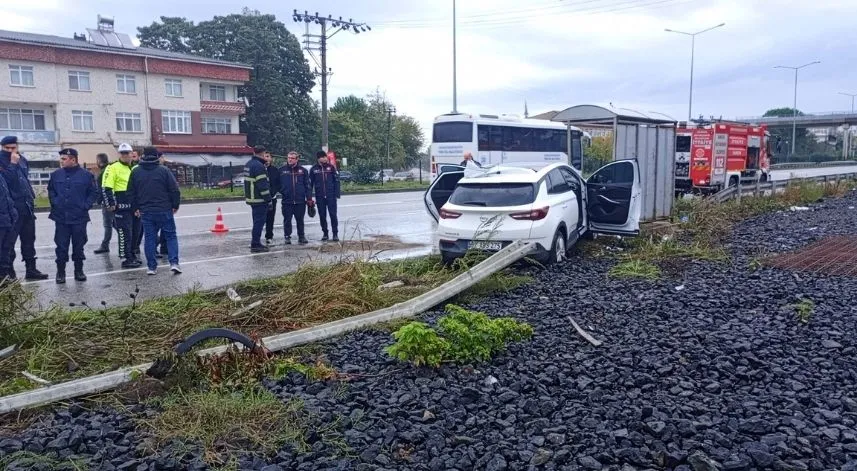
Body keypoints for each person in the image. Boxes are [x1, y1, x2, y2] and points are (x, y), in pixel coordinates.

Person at [128, 146, 182, 275]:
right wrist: (175, 205)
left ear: (143, 157)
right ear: (157, 157)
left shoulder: (136, 171)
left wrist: (135, 208)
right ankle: (174, 263)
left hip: (146, 211)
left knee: (149, 238)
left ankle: (152, 267)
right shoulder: (164, 171)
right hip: (164, 209)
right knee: (170, 236)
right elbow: (174, 189)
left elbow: (130, 192)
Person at [0, 135, 48, 280]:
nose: (10, 151)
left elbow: (24, 180)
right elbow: (8, 180)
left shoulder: (23, 159)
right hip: (12, 208)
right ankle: (9, 273)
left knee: (29, 240)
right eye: (6, 148)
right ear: (2, 147)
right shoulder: (2, 160)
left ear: (17, 147)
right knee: (8, 243)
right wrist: (13, 164)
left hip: (26, 206)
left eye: (12, 148)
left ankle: (31, 269)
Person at [47, 148, 97, 284]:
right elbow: (51, 191)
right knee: (61, 246)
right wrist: (55, 202)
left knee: (78, 245)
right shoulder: (56, 175)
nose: (61, 161)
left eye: (64, 159)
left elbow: (93, 193)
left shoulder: (86, 175)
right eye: (61, 159)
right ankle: (61, 272)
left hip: (79, 217)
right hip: (61, 217)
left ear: (73, 159)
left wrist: (85, 205)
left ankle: (79, 270)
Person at [102, 143, 142, 268]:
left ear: (132, 154)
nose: (125, 155)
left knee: (136, 232)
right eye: (122, 153)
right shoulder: (112, 167)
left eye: (127, 153)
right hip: (121, 206)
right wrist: (111, 204)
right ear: (119, 154)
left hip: (134, 206)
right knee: (125, 233)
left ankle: (133, 254)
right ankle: (126, 258)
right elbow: (106, 187)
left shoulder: (135, 168)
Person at [243, 145, 272, 252]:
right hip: (259, 199)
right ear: (263, 153)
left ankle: (255, 242)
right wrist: (268, 200)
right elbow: (263, 186)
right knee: (259, 223)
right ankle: (255, 244)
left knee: (256, 222)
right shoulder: (259, 166)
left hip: (251, 198)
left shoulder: (249, 164)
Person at [279, 151, 311, 245]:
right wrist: (283, 191)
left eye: (292, 158)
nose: (290, 159)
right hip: (287, 200)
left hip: (300, 200)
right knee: (287, 220)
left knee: (300, 220)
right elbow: (277, 184)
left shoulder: (303, 171)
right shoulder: (281, 170)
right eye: (288, 157)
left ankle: (301, 236)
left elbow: (307, 186)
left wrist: (309, 198)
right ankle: (287, 236)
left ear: (297, 159)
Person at [310, 150, 341, 242]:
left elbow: (336, 181)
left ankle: (335, 234)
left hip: (331, 196)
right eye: (322, 157)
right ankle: (325, 233)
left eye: (325, 157)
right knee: (322, 216)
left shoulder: (331, 167)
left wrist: (337, 194)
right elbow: (310, 184)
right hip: (320, 197)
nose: (325, 158)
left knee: (333, 215)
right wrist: (309, 197)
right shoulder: (314, 169)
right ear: (318, 158)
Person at [93, 153, 113, 254]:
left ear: (99, 161)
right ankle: (131, 242)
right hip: (113, 200)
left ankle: (105, 245)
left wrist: (99, 200)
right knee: (115, 224)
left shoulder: (102, 173)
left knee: (108, 225)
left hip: (107, 203)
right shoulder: (111, 169)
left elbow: (102, 189)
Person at [0, 165, 17, 283]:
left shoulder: (1, 177)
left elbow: (6, 198)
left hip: (7, 220)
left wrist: (13, 214)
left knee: (6, 250)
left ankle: (4, 277)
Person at [264, 151, 282, 245]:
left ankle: (269, 236)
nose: (266, 158)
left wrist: (272, 193)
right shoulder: (259, 169)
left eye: (267, 156)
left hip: (272, 198)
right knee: (260, 219)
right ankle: (256, 237)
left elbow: (277, 184)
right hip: (261, 199)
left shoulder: (275, 170)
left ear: (271, 158)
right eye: (264, 156)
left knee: (270, 218)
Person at [129, 148, 143, 258]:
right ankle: (133, 246)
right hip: (130, 201)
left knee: (140, 226)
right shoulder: (129, 167)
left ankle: (136, 246)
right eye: (131, 156)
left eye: (134, 156)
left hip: (139, 201)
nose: (131, 158)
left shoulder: (138, 168)